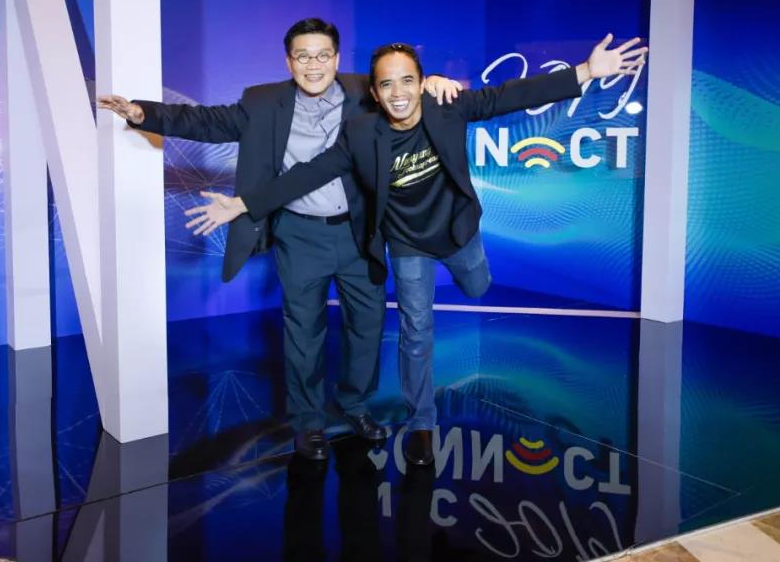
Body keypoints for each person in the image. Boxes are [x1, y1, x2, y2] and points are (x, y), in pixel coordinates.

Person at [183, 34, 647, 465]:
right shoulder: (361, 132)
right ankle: (422, 422)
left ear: (423, 83)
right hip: (407, 244)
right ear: (375, 92)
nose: (398, 92)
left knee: (477, 285)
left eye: (408, 81)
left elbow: (511, 95)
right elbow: (310, 172)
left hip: (456, 232)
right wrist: (242, 204)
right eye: (387, 84)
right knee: (416, 330)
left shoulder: (447, 107)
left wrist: (586, 70)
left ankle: (471, 269)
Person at [97, 18, 461, 461]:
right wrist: (142, 113)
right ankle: (308, 422)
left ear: (336, 58)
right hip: (299, 234)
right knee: (304, 333)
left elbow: (402, 88)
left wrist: (434, 82)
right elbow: (207, 121)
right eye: (303, 56)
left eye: (322, 55)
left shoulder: (365, 92)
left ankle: (354, 405)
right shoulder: (263, 101)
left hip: (357, 232)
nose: (313, 65)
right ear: (289, 62)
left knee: (367, 327)